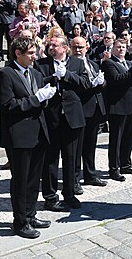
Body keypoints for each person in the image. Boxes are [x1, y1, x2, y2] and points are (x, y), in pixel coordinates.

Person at [0, 37, 55, 239]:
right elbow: (8, 105)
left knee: (33, 179)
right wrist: (35, 100)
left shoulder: (35, 73)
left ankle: (30, 214)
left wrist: (45, 98)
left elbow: (40, 102)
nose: (34, 56)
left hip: (38, 132)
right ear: (17, 53)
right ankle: (20, 222)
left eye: (34, 52)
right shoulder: (5, 74)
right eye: (29, 53)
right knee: (20, 180)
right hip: (18, 135)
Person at [35, 35, 90, 212]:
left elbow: (85, 84)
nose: (51, 48)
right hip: (51, 117)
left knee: (71, 158)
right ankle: (50, 197)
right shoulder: (42, 64)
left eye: (55, 45)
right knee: (50, 159)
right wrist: (53, 77)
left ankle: (69, 193)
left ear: (65, 48)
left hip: (72, 117)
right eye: (49, 45)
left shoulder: (77, 63)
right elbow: (36, 83)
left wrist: (67, 75)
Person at [102, 38, 132, 182]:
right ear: (113, 48)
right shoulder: (109, 63)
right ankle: (114, 168)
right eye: (118, 47)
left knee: (128, 137)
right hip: (118, 106)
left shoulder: (128, 63)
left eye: (123, 47)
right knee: (116, 139)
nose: (121, 49)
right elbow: (117, 79)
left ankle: (126, 164)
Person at [70, 37, 108, 189]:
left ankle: (90, 174)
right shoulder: (70, 64)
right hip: (80, 108)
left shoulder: (92, 64)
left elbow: (103, 82)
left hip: (95, 108)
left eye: (81, 47)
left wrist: (101, 82)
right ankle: (74, 179)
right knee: (77, 147)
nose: (78, 50)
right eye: (75, 47)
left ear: (87, 47)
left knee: (90, 144)